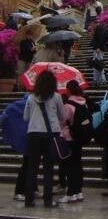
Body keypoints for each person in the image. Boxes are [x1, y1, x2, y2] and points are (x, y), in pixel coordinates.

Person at [23, 70, 65, 208]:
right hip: (51, 134)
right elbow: (62, 116)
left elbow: (26, 118)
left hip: (33, 134)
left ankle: (29, 200)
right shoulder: (57, 97)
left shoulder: (30, 98)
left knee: (32, 168)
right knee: (48, 169)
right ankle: (48, 200)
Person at [58, 80, 92, 203]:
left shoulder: (68, 105)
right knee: (78, 165)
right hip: (79, 138)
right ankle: (78, 192)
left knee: (69, 166)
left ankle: (70, 192)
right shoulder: (84, 103)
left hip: (69, 138)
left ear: (68, 90)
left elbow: (61, 121)